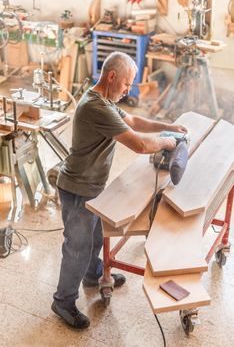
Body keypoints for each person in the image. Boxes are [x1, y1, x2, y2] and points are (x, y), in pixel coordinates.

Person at [51, 51, 187, 329]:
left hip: (93, 186)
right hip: (78, 190)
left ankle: (92, 274)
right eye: (126, 84)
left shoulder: (105, 99)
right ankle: (63, 301)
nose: (127, 90)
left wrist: (168, 126)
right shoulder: (95, 107)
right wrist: (166, 142)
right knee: (77, 247)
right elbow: (139, 144)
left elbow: (134, 122)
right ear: (111, 76)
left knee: (97, 237)